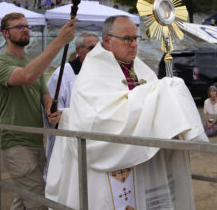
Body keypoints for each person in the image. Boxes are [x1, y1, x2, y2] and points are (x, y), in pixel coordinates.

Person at [46, 15, 207, 210]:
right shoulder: (93, 70)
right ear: (107, 40)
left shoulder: (139, 67)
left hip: (143, 159)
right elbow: (97, 117)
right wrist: (153, 96)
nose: (133, 45)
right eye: (127, 39)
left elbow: (153, 101)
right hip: (112, 159)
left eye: (135, 39)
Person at [0, 12, 76, 210]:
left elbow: (46, 98)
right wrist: (59, 42)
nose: (25, 29)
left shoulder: (33, 66)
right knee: (39, 201)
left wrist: (51, 111)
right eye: (19, 26)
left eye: (27, 26)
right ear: (5, 33)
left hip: (36, 142)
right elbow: (25, 77)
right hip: (15, 143)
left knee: (23, 199)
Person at [43, 33, 99, 180]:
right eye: (92, 48)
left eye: (100, 48)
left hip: (95, 139)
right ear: (79, 50)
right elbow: (53, 111)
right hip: (68, 140)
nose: (97, 52)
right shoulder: (64, 74)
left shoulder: (102, 73)